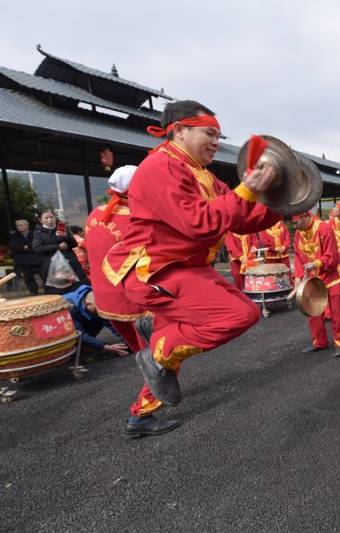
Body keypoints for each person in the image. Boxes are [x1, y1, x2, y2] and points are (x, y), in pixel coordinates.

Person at [102, 100, 280, 413]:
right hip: (155, 271)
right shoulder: (160, 166)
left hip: (186, 269)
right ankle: (156, 349)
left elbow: (243, 218)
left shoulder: (205, 177)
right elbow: (198, 223)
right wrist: (247, 190)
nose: (215, 142)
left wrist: (282, 203)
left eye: (218, 136)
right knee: (238, 314)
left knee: (178, 347)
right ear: (180, 130)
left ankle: (142, 414)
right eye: (209, 133)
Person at [85, 165, 178, 437]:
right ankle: (141, 414)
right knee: (161, 353)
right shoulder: (137, 220)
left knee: (143, 351)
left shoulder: (94, 215)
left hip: (108, 302)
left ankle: (162, 387)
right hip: (137, 302)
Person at [293, 210, 340, 357]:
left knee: (336, 311)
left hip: (331, 275)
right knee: (313, 310)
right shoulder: (299, 232)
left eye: (296, 222)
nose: (294, 226)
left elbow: (332, 255)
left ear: (305, 216)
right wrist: (298, 276)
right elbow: (298, 256)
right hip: (312, 278)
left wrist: (316, 263)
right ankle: (319, 342)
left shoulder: (323, 228)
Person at [62, 285, 129, 357]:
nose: (98, 312)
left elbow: (110, 323)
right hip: (64, 331)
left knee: (101, 316)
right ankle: (80, 347)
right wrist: (106, 347)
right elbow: (79, 334)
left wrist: (129, 340)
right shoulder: (67, 308)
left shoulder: (93, 299)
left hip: (82, 319)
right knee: (80, 336)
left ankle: (89, 344)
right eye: (96, 310)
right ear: (88, 304)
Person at [32, 211, 89, 294]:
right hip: (53, 267)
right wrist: (57, 246)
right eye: (46, 218)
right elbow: (37, 248)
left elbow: (74, 244)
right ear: (40, 220)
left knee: (79, 289)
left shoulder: (63, 228)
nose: (49, 220)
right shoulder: (38, 233)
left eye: (51, 217)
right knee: (59, 293)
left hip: (70, 263)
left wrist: (66, 236)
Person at [9, 219, 42, 295]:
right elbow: (14, 246)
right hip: (23, 260)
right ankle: (33, 291)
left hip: (36, 258)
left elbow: (36, 245)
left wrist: (25, 247)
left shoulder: (34, 234)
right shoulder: (14, 236)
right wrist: (26, 247)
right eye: (17, 225)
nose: (18, 227)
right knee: (28, 277)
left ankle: (48, 290)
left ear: (27, 226)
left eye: (21, 225)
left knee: (43, 274)